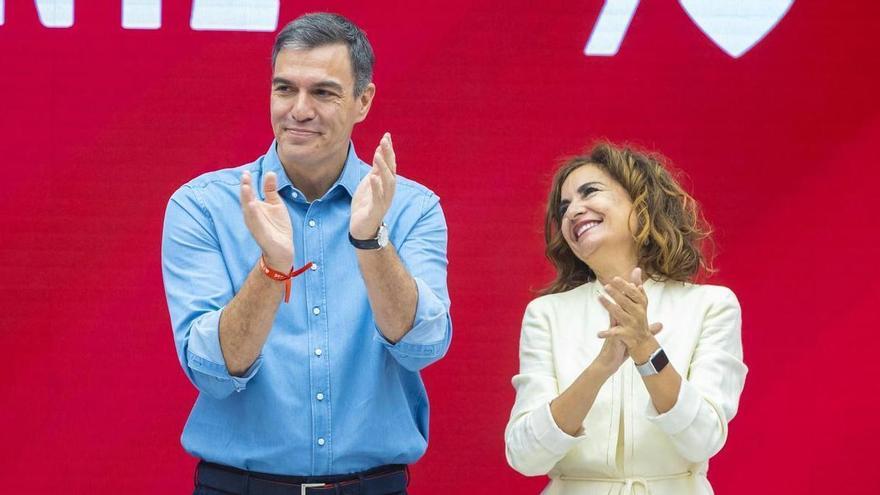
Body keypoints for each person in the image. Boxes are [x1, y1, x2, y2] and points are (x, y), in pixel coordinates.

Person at [161, 13, 452, 495]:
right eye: (284, 89)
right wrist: (271, 268)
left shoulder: (412, 208)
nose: (298, 110)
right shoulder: (202, 206)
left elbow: (422, 345)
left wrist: (370, 241)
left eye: (322, 92)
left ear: (364, 101)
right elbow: (211, 370)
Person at [504, 143, 746, 494]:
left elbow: (703, 439)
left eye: (590, 192)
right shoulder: (546, 314)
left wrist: (645, 349)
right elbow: (525, 456)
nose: (573, 211)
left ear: (641, 203)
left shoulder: (711, 305)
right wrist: (601, 367)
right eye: (565, 207)